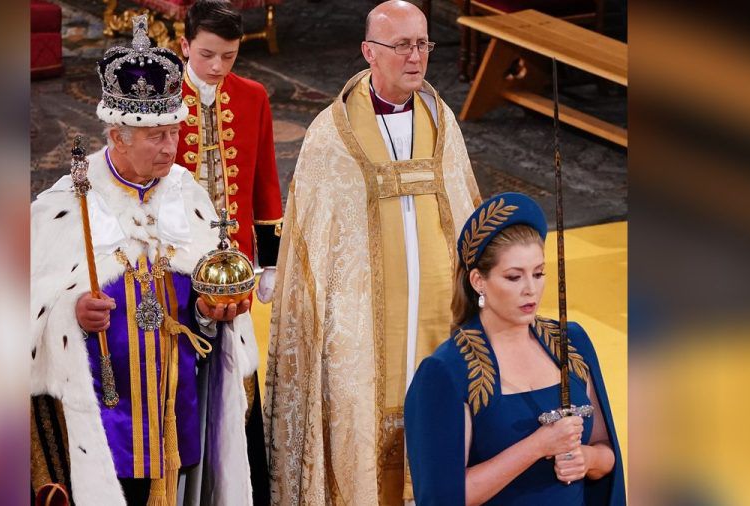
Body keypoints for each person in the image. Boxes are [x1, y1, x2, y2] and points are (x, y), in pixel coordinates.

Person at [30, 16, 258, 506]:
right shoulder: (69, 202)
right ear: (117, 137)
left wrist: (209, 311)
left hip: (177, 400)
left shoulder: (188, 194)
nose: (171, 149)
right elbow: (28, 312)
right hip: (108, 409)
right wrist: (72, 314)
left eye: (173, 133)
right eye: (155, 137)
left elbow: (203, 301)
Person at [263, 1, 481, 504]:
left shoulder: (441, 121)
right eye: (401, 44)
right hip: (358, 333)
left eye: (423, 43)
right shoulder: (332, 135)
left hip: (437, 319)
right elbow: (313, 244)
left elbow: (468, 214)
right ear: (369, 52)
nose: (416, 56)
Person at [404, 192, 625, 505]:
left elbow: (607, 454)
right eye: (513, 277)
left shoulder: (571, 343)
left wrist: (587, 459)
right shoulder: (446, 371)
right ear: (479, 281)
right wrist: (537, 446)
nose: (530, 290)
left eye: (538, 273)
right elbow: (443, 496)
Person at [175, 0, 283, 299]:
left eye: (229, 56)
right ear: (185, 45)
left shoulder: (253, 96)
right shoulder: (164, 97)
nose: (217, 66)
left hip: (237, 252)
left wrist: (271, 263)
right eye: (206, 54)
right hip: (176, 249)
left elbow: (266, 179)